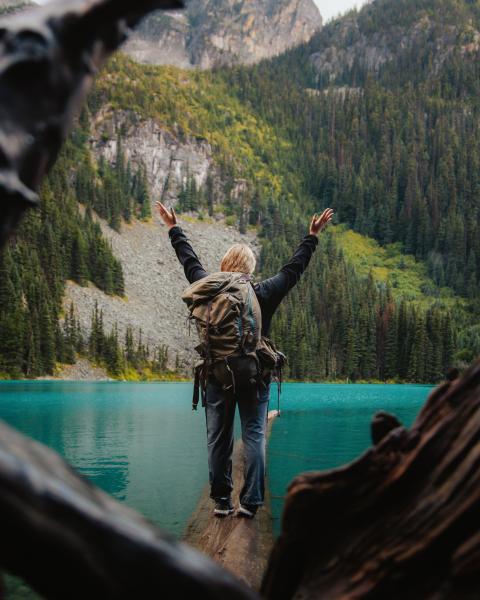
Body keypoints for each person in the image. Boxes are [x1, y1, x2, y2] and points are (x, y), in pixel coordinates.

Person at [156, 200, 334, 518]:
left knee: (218, 438)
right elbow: (293, 270)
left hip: (216, 374)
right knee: (254, 433)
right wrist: (312, 236)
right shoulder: (264, 291)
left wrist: (174, 228)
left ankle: (222, 502)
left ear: (224, 265)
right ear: (250, 267)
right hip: (254, 374)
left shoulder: (209, 288)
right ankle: (250, 502)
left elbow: (189, 261)